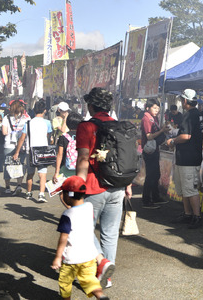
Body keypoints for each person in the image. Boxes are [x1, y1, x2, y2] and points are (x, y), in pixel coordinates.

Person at [76, 87, 128, 288]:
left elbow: (82, 157)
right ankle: (105, 277)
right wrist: (127, 185)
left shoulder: (86, 126)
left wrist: (77, 185)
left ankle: (100, 263)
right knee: (110, 234)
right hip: (117, 186)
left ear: (90, 105)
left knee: (82, 230)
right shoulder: (119, 126)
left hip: (92, 186)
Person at [50, 176, 109, 300]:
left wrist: (58, 257)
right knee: (90, 280)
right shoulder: (89, 206)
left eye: (63, 193)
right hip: (89, 256)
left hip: (72, 258)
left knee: (65, 283)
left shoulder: (67, 215)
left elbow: (63, 238)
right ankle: (100, 295)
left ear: (69, 195)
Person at [165, 89, 203, 229]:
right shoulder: (196, 114)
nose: (182, 102)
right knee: (184, 188)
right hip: (186, 158)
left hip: (189, 158)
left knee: (190, 189)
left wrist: (172, 141)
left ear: (186, 101)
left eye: (182, 100)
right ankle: (188, 214)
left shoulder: (190, 115)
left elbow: (186, 136)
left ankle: (197, 217)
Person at [21, 99, 53, 203]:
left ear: (34, 110)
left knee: (30, 173)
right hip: (43, 150)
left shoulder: (28, 123)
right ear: (45, 110)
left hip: (30, 150)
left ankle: (29, 192)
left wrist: (17, 151)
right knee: (42, 174)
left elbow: (22, 137)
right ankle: (41, 194)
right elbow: (48, 136)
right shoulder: (47, 123)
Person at [140, 98, 170, 209]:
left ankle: (155, 197)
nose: (156, 110)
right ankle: (146, 200)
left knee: (156, 174)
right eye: (154, 108)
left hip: (154, 149)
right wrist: (162, 131)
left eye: (158, 108)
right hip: (149, 150)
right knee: (151, 175)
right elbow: (149, 136)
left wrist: (163, 129)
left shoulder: (154, 118)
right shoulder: (147, 118)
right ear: (148, 108)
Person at [2, 99, 30, 195]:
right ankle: (19, 185)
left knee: (7, 165)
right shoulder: (26, 118)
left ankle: (7, 187)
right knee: (20, 164)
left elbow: (4, 132)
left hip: (8, 145)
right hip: (22, 145)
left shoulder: (6, 118)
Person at [53, 112, 84, 183]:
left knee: (63, 190)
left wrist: (56, 172)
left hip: (66, 168)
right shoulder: (84, 136)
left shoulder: (63, 137)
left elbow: (60, 155)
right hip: (80, 168)